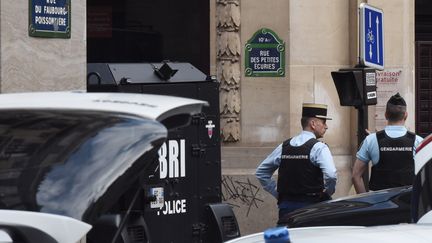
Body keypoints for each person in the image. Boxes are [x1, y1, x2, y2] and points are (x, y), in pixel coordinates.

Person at [255, 103, 337, 221]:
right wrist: (327, 193)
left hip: (286, 208)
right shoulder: (319, 148)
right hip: (312, 208)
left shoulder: (284, 146)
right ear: (313, 124)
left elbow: (261, 172)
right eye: (323, 122)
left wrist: (278, 194)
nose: (326, 126)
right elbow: (331, 175)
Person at [352, 93, 423, 193]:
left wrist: (367, 202)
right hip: (408, 204)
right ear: (405, 115)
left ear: (386, 115)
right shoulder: (418, 141)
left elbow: (356, 175)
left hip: (379, 205)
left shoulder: (371, 140)